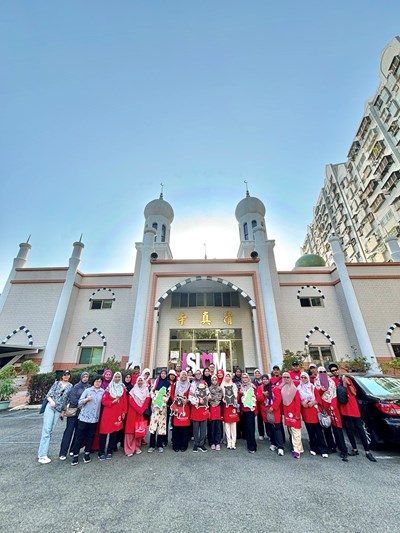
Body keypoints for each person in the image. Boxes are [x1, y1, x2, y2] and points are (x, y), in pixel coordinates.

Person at [329, 364, 377, 462]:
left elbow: (354, 393)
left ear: (338, 370)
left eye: (335, 370)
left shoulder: (345, 378)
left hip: (352, 407)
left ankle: (367, 451)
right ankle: (354, 449)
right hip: (343, 408)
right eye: (332, 371)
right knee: (348, 429)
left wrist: (348, 384)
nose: (334, 372)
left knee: (360, 429)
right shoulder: (333, 381)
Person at [314, 366, 349, 462]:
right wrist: (322, 390)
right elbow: (316, 395)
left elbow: (334, 395)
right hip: (323, 407)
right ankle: (331, 446)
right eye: (320, 372)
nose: (322, 373)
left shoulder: (331, 382)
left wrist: (333, 405)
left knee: (337, 428)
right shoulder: (316, 382)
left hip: (332, 407)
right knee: (326, 428)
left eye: (324, 371)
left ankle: (343, 449)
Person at [38, 370, 73, 464]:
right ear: (62, 376)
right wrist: (51, 401)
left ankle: (43, 453)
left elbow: (67, 400)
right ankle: (42, 455)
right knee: (46, 430)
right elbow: (49, 394)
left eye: (68, 375)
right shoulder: (57, 383)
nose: (66, 376)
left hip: (59, 410)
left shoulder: (70, 386)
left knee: (50, 431)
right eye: (64, 375)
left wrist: (63, 411)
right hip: (51, 407)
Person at [71, 375, 104, 465]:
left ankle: (87, 453)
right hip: (84, 418)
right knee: (79, 436)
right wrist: (87, 399)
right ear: (93, 382)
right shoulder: (88, 390)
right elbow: (79, 402)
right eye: (96, 381)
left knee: (90, 437)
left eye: (100, 381)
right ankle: (75, 455)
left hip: (94, 419)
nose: (98, 383)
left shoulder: (102, 392)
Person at [59, 371, 90, 460]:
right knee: (69, 431)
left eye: (87, 377)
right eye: (84, 376)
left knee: (78, 433)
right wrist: (80, 404)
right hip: (73, 412)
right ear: (81, 377)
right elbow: (72, 398)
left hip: (82, 414)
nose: (85, 378)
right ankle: (63, 452)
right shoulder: (76, 386)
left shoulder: (89, 387)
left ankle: (73, 449)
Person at [298, 372, 329, 458]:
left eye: (305, 377)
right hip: (306, 411)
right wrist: (302, 402)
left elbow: (318, 399)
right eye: (302, 377)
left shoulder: (312, 387)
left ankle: (323, 449)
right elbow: (298, 399)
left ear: (308, 378)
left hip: (314, 411)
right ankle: (313, 448)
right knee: (310, 432)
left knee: (318, 432)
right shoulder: (299, 388)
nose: (303, 379)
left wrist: (313, 402)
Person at [98, 371, 127, 460]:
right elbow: (103, 401)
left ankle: (110, 451)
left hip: (117, 413)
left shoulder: (122, 388)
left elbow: (124, 401)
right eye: (116, 377)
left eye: (119, 377)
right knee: (104, 432)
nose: (117, 378)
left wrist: (124, 412)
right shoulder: (109, 388)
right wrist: (112, 402)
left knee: (114, 432)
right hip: (108, 413)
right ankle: (101, 452)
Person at [256, 374, 284, 456]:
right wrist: (263, 395)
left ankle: (280, 447)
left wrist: (273, 407)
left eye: (266, 379)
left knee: (277, 428)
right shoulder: (260, 388)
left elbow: (278, 399)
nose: (265, 380)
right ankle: (273, 443)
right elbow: (258, 399)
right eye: (263, 379)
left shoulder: (274, 388)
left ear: (269, 380)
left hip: (274, 411)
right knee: (269, 428)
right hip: (265, 411)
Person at [125, 375, 151, 456]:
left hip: (141, 413)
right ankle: (129, 449)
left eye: (141, 380)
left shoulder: (146, 390)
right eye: (139, 380)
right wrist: (139, 409)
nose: (140, 382)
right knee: (131, 429)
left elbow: (147, 399)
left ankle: (137, 446)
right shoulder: (133, 390)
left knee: (139, 428)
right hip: (133, 412)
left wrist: (142, 409)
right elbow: (131, 400)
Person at [281, 372, 303, 459]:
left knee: (296, 431)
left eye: (287, 377)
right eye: (284, 377)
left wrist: (297, 414)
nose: (286, 379)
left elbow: (298, 403)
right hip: (287, 412)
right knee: (291, 430)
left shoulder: (295, 389)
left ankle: (296, 450)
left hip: (294, 413)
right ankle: (298, 448)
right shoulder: (283, 389)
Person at [148, 369, 170, 453]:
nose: (163, 375)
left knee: (162, 425)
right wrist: (154, 399)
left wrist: (163, 401)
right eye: (162, 373)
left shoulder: (168, 383)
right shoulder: (156, 381)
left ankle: (160, 445)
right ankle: (152, 445)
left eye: (165, 373)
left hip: (163, 408)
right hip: (155, 407)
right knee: (153, 425)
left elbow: (168, 394)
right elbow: (152, 391)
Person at [189, 369, 210, 452]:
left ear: (201, 375)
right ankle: (196, 444)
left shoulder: (205, 383)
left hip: (204, 408)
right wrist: (197, 401)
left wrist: (209, 397)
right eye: (196, 374)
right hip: (196, 408)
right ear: (195, 375)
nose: (198, 375)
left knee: (203, 428)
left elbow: (208, 393)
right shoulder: (193, 384)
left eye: (199, 374)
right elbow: (190, 396)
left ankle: (202, 444)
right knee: (196, 428)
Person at [171, 370, 191, 452]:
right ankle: (176, 445)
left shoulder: (189, 385)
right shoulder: (176, 384)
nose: (184, 376)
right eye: (182, 375)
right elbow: (172, 394)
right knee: (176, 427)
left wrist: (188, 400)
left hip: (185, 407)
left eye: (185, 375)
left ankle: (184, 445)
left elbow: (191, 394)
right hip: (177, 406)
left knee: (185, 427)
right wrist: (175, 400)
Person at [238, 373, 257, 453]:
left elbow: (255, 397)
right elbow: (239, 400)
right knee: (246, 428)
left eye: (246, 377)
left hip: (250, 410)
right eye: (243, 377)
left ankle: (252, 446)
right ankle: (249, 444)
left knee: (251, 428)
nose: (244, 378)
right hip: (243, 410)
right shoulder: (241, 386)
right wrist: (240, 393)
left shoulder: (252, 386)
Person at [221, 371, 239, 449]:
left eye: (229, 376)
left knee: (233, 424)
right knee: (227, 424)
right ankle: (229, 441)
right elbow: (221, 396)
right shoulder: (222, 386)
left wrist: (233, 399)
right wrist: (224, 400)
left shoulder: (233, 385)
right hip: (226, 406)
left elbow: (235, 394)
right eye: (226, 376)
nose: (228, 377)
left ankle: (233, 441)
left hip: (233, 406)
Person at [209, 374, 223, 450]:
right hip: (211, 408)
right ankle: (212, 442)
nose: (214, 381)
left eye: (215, 380)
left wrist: (214, 399)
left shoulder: (220, 389)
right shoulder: (209, 388)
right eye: (213, 380)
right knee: (212, 426)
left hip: (218, 408)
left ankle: (217, 442)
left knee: (218, 426)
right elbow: (209, 398)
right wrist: (212, 400)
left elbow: (220, 398)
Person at [252, 369, 265, 441]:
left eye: (258, 373)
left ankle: (269, 434)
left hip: (264, 402)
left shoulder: (264, 381)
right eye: (256, 373)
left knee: (266, 419)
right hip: (256, 402)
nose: (257, 374)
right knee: (259, 419)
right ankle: (261, 434)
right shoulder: (252, 383)